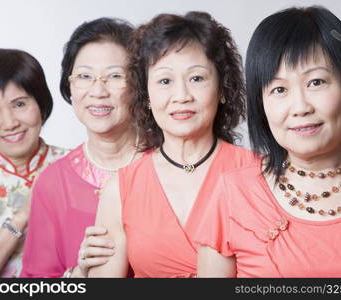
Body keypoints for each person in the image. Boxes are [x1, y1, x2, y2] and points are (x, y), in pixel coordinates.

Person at [196, 6, 341, 277]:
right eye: (279, 89)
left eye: (316, 82)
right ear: (261, 103)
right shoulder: (233, 193)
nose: (300, 107)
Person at [88, 11, 254, 278]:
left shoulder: (260, 173)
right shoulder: (120, 189)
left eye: (196, 78)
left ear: (222, 88)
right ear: (147, 95)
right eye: (165, 81)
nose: (181, 96)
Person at [21, 18, 137, 278]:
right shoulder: (52, 182)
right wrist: (79, 274)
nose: (98, 90)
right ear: (70, 85)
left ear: (139, 85)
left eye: (115, 76)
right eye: (85, 76)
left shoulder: (169, 164)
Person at [0, 49, 68, 277]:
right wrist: (22, 217)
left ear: (41, 103)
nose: (9, 123)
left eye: (19, 104)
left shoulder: (78, 166)